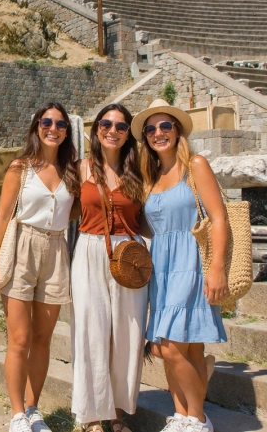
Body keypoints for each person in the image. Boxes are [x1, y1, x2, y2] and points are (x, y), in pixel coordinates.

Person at [133, 99, 228, 432]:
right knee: (179, 347)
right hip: (162, 266)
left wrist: (216, 268)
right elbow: (150, 228)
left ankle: (198, 419)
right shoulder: (150, 177)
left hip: (191, 262)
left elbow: (219, 218)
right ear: (145, 138)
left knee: (169, 347)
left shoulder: (196, 165)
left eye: (165, 126)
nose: (158, 133)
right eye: (151, 129)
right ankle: (182, 415)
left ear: (177, 130)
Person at [0, 103, 80, 432]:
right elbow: (2, 215)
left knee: (42, 339)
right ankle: (16, 415)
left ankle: (33, 408)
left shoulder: (71, 170)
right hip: (23, 246)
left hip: (57, 250)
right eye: (47, 122)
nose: (53, 128)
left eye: (60, 123)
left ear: (67, 130)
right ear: (37, 126)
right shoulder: (19, 168)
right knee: (20, 340)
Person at [70, 104, 147, 432]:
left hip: (130, 255)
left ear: (128, 133)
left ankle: (116, 413)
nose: (112, 131)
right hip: (89, 251)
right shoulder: (80, 169)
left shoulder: (139, 171)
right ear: (96, 128)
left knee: (128, 333)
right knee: (91, 330)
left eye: (120, 126)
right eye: (106, 123)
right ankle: (90, 417)